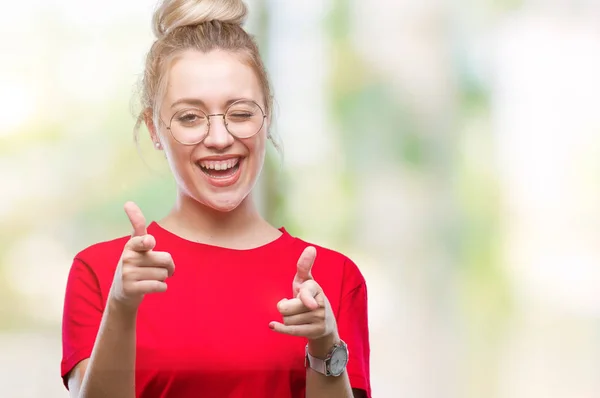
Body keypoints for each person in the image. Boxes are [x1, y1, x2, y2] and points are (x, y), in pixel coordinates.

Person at [60, 0, 371, 397]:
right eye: (190, 117)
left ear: (268, 115)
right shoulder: (101, 273)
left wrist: (324, 344)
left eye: (240, 112)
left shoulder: (334, 278)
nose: (220, 138)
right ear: (154, 128)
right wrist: (121, 306)